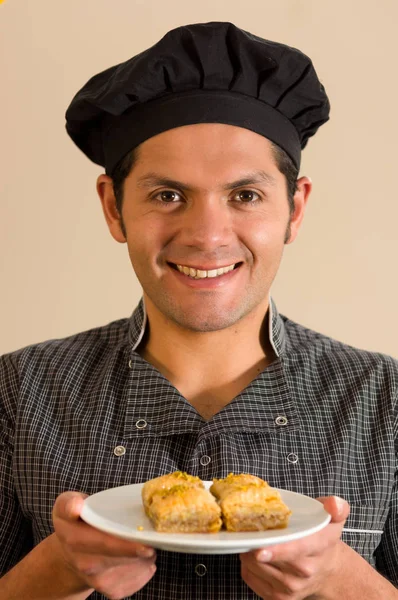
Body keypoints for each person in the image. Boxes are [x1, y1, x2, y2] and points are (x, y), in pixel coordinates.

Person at [0, 21, 397, 600]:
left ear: (295, 207)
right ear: (114, 208)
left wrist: (340, 579)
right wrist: (56, 569)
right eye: (168, 195)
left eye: (245, 196)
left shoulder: (384, 399)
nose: (208, 237)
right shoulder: (19, 392)